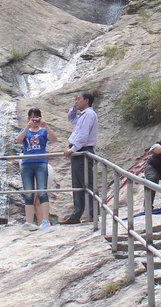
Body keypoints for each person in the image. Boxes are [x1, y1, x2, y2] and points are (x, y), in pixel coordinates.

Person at [15, 107, 57, 230]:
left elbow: (54, 139)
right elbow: (17, 140)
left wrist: (46, 125)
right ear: (28, 119)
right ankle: (28, 222)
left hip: (41, 163)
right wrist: (27, 127)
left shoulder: (43, 131)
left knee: (42, 192)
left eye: (37, 118)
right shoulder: (25, 130)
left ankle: (45, 221)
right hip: (26, 164)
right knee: (28, 194)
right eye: (32, 118)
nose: (34, 120)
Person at [61, 90, 98, 224]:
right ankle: (77, 214)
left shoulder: (89, 114)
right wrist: (74, 107)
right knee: (77, 183)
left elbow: (83, 135)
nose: (77, 101)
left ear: (86, 101)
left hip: (83, 150)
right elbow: (71, 118)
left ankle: (94, 214)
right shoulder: (83, 114)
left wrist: (72, 149)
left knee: (87, 182)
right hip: (78, 151)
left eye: (79, 99)